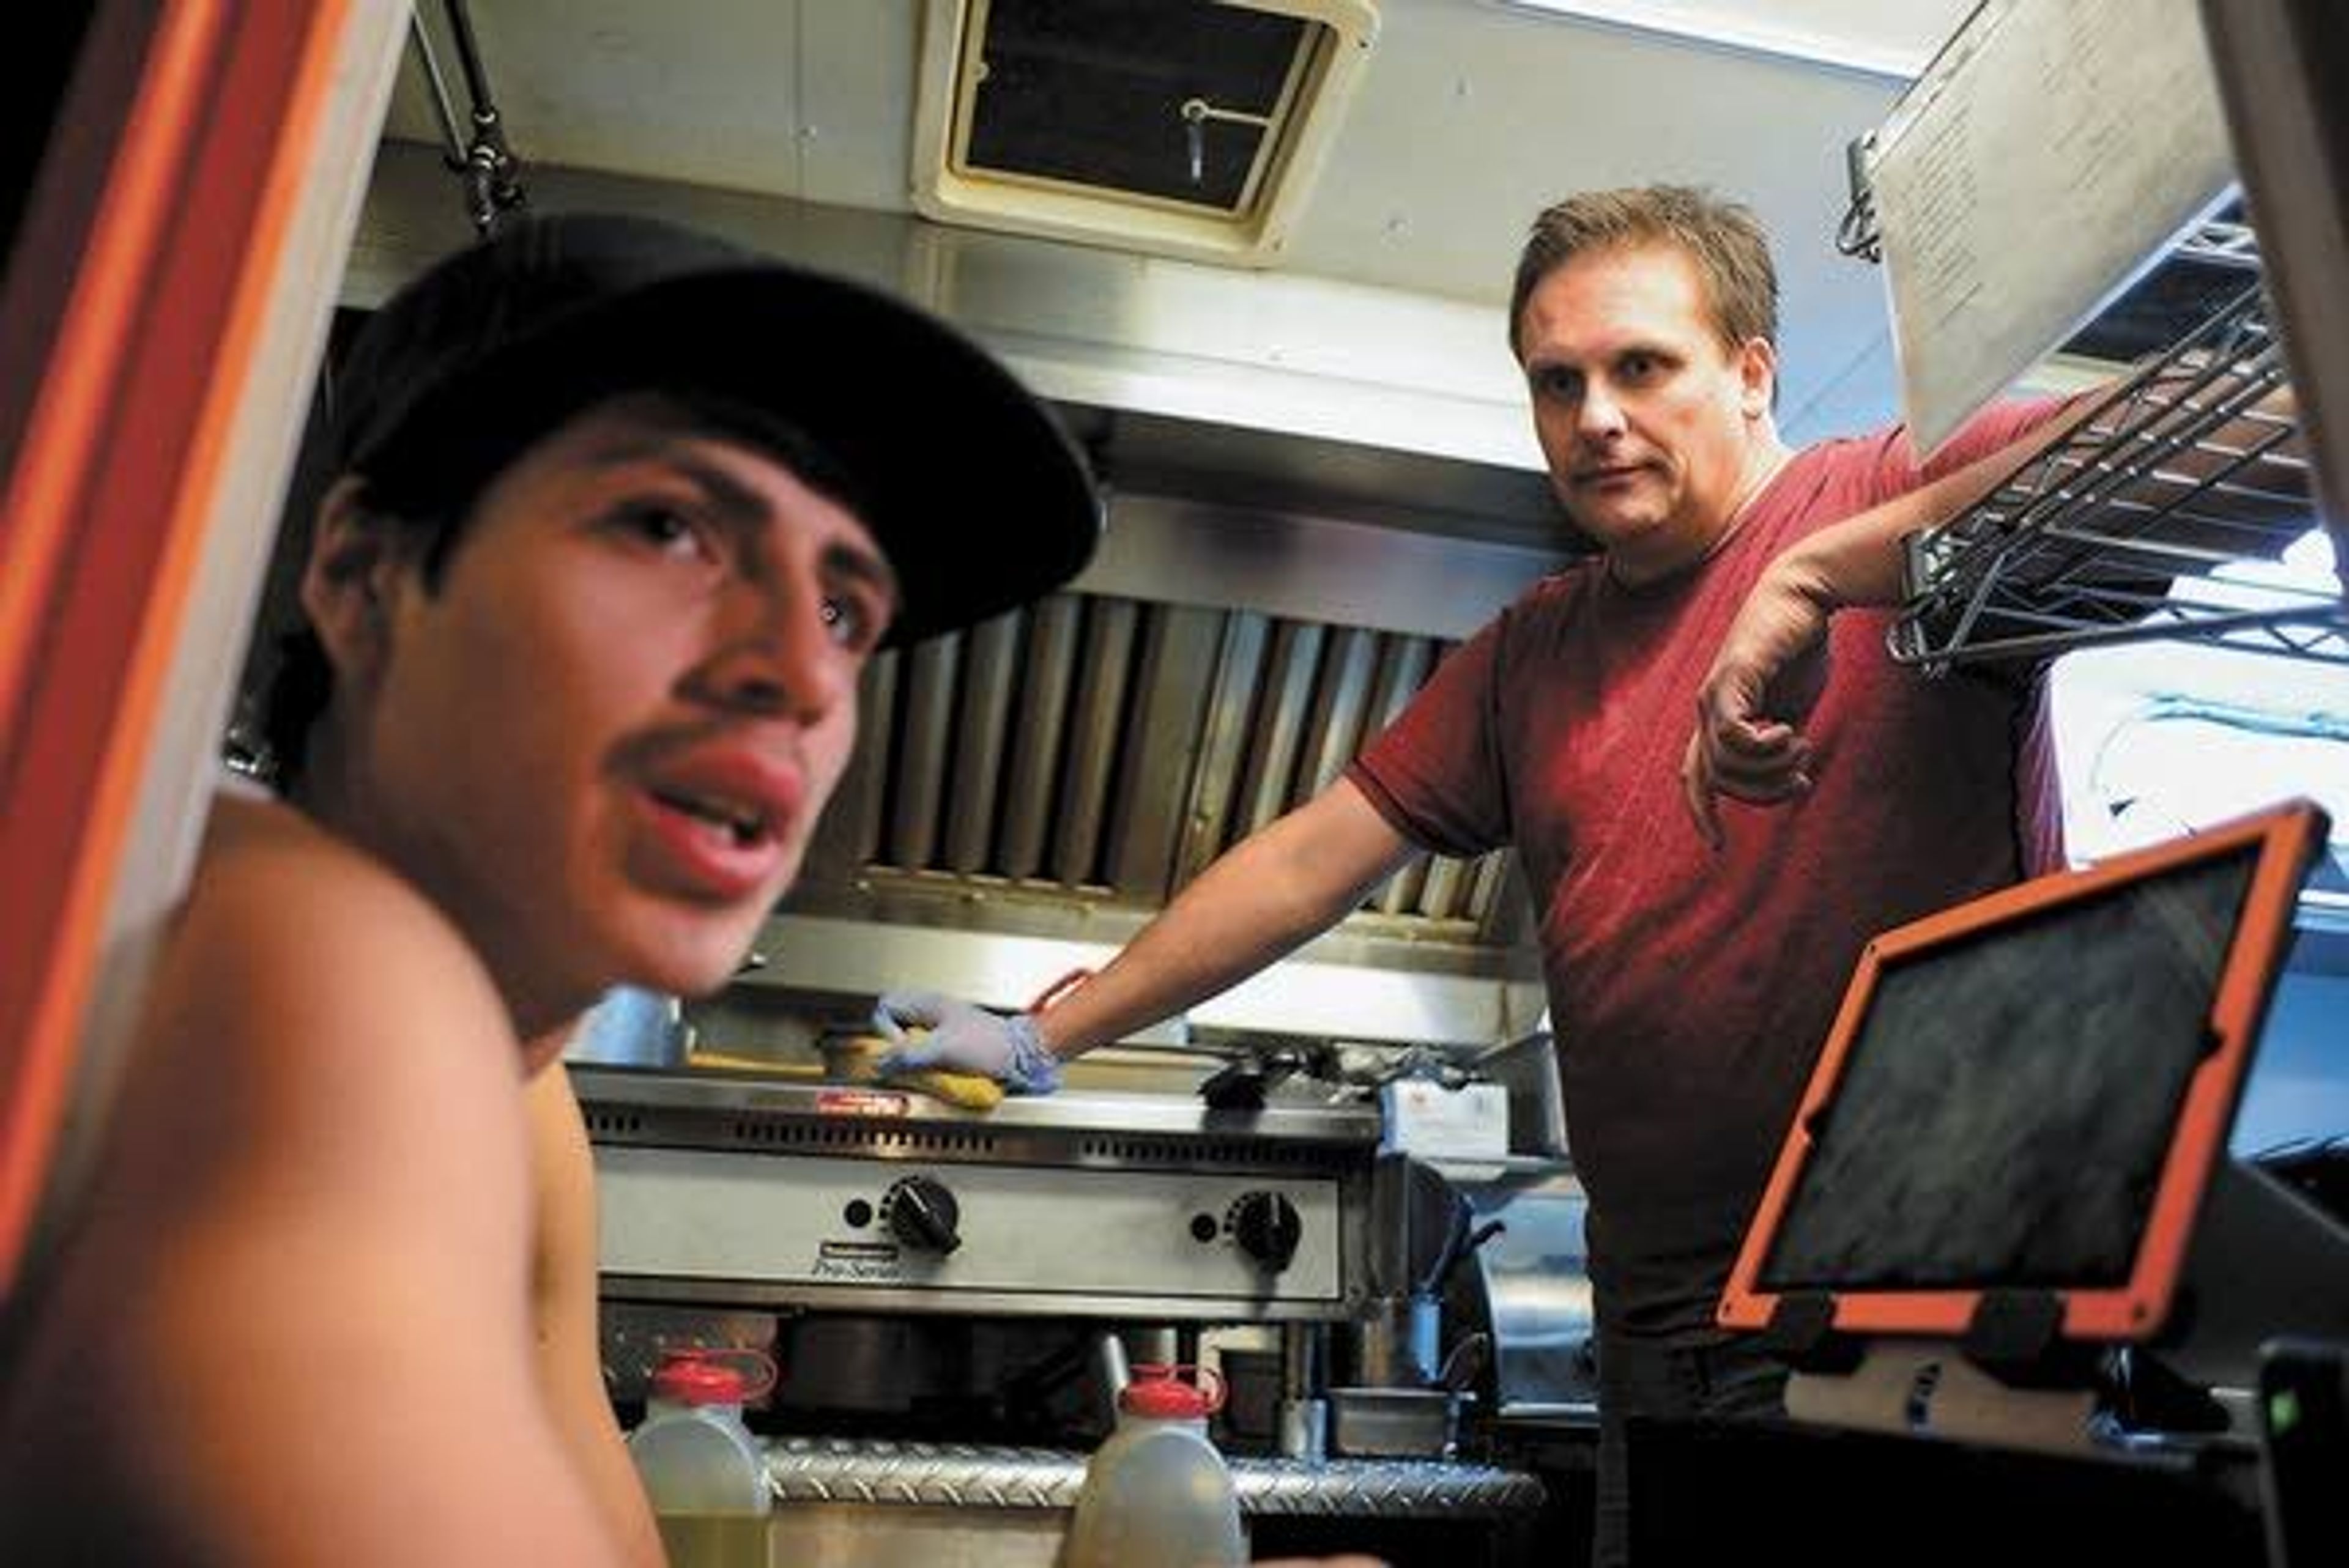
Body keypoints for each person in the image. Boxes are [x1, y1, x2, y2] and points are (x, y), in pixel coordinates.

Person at [870, 183, 2104, 1566]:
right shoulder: (1535, 652)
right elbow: (1312, 857)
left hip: (1921, 1295)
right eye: (1556, 381)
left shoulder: (1887, 494)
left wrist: (1818, 576)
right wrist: (1049, 1033)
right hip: (1666, 1320)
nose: (1595, 418)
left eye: (1643, 366)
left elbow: (2226, 433)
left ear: (1753, 372)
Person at [0, 209, 1101, 1565]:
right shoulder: (320, 953)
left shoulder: (521, 1094)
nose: (802, 678)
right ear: (363, 574)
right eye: (669, 527)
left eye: (842, 612)